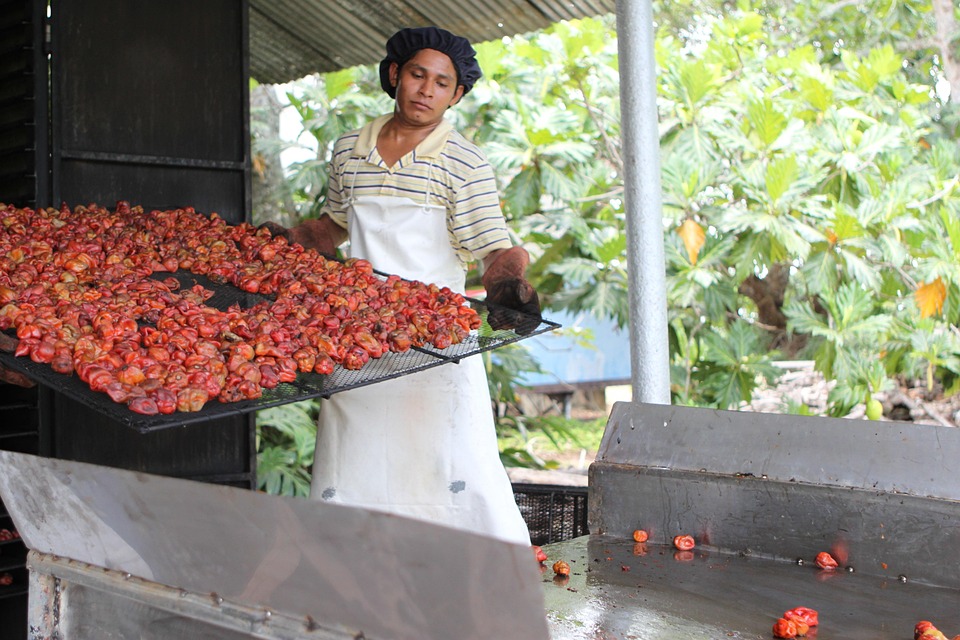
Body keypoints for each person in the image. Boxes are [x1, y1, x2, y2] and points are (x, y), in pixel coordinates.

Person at [262, 26, 541, 547]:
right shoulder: (349, 150)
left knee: (451, 464)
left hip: (435, 339)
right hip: (356, 338)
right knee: (354, 466)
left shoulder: (464, 160)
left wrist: (510, 289)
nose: (426, 89)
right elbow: (336, 225)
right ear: (395, 75)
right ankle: (351, 581)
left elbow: (492, 249)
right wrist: (294, 240)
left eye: (442, 82)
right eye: (417, 74)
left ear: (457, 95)